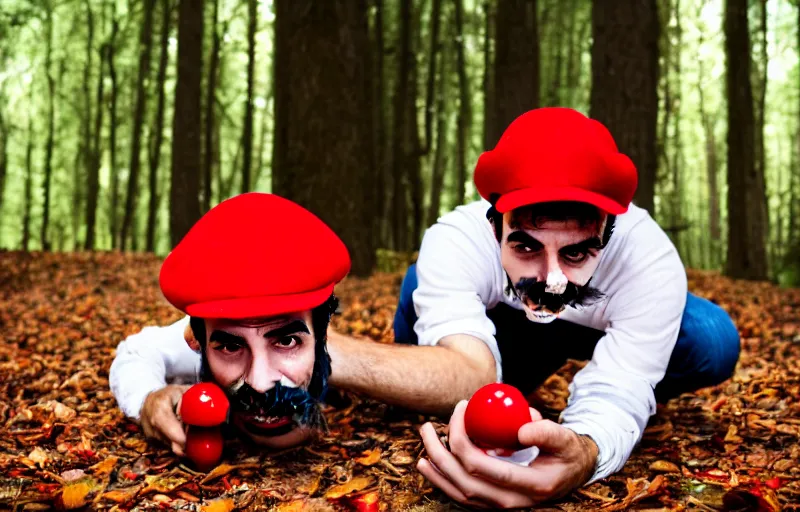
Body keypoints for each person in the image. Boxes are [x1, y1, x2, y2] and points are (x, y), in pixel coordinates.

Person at [325, 107, 740, 508]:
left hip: (594, 327)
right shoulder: (458, 238)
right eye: (526, 246)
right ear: (494, 227)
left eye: (576, 255)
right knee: (422, 283)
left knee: (712, 338)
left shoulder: (647, 256)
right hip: (499, 333)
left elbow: (621, 388)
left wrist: (584, 452)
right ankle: (502, 376)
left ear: (610, 235)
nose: (551, 279)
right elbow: (467, 373)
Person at [108, 192, 350, 455]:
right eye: (230, 348)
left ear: (322, 338)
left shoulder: (325, 348)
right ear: (195, 341)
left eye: (286, 341)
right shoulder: (202, 339)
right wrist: (149, 399)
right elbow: (137, 351)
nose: (259, 383)